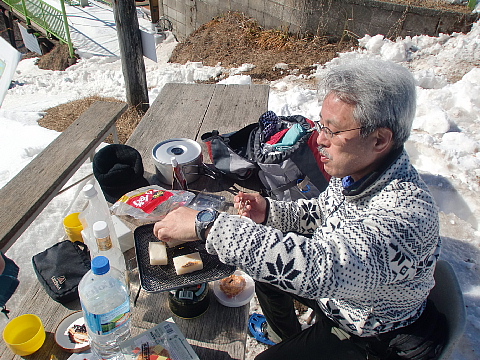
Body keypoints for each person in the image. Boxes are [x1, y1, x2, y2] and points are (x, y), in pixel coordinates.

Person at [153, 59, 446, 359]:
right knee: (265, 280)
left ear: (380, 139)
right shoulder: (359, 169)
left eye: (333, 131)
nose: (319, 140)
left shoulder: (405, 217)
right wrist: (269, 211)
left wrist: (208, 225)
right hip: (342, 295)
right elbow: (323, 211)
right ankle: (286, 336)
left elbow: (321, 267)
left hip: (370, 331)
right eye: (321, 125)